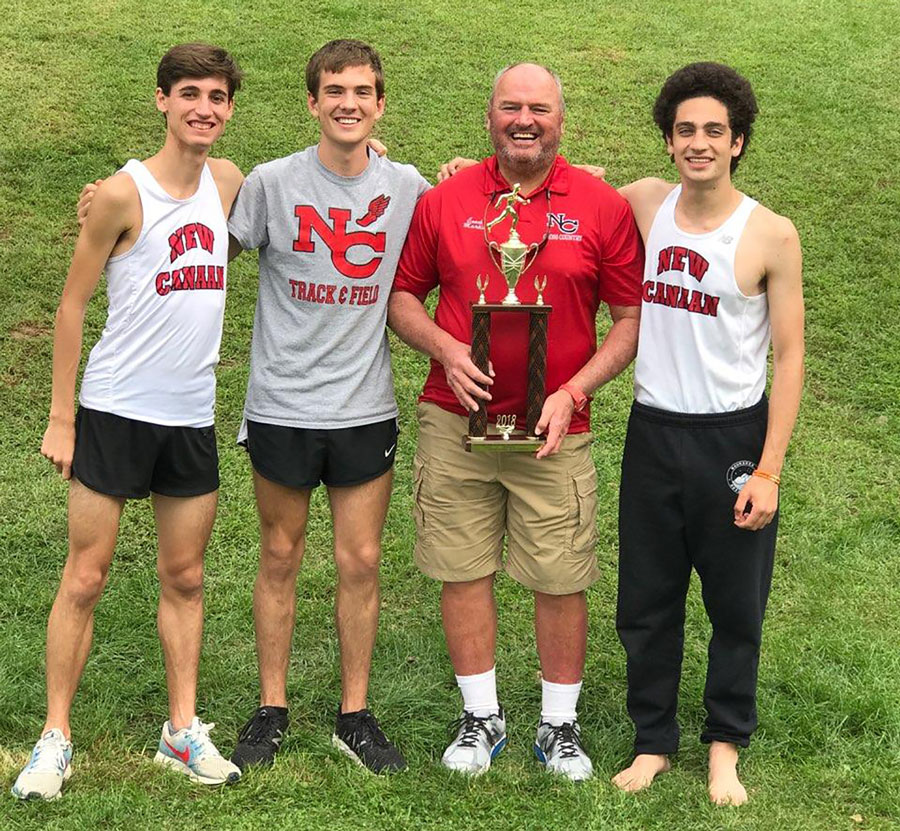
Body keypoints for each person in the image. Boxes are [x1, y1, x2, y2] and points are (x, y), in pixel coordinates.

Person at [388, 62, 643, 781]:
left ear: (563, 120)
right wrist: (442, 346)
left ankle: (558, 725)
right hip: (454, 417)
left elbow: (628, 320)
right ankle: (482, 715)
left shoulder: (600, 205)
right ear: (489, 116)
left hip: (558, 429)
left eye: (537, 108)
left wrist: (574, 389)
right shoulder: (445, 199)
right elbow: (404, 295)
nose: (523, 119)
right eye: (510, 107)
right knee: (461, 567)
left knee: (561, 575)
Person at [12, 43, 245, 801]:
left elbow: (313, 175)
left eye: (216, 96)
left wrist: (368, 144)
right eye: (189, 94)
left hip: (189, 416)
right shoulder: (120, 193)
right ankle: (55, 736)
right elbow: (72, 305)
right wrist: (61, 418)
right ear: (161, 101)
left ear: (229, 108)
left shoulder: (231, 182)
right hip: (114, 409)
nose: (202, 108)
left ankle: (180, 731)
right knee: (86, 574)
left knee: (186, 574)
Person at [225, 40, 429, 774]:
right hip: (282, 401)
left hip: (363, 404)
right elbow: (200, 245)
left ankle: (354, 713)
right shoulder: (272, 183)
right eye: (334, 89)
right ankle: (271, 706)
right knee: (280, 554)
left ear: (381, 104)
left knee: (362, 559)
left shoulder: (408, 184)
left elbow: (465, 221)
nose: (348, 102)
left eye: (363, 91)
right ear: (312, 102)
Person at [610, 62, 805, 805]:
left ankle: (725, 746)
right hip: (654, 432)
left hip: (732, 438)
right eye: (686, 130)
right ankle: (653, 740)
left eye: (713, 132)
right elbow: (559, 185)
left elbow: (790, 356)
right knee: (647, 599)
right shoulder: (645, 203)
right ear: (668, 141)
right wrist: (479, 170)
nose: (699, 143)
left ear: (738, 141)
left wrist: (770, 468)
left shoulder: (770, 233)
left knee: (735, 602)